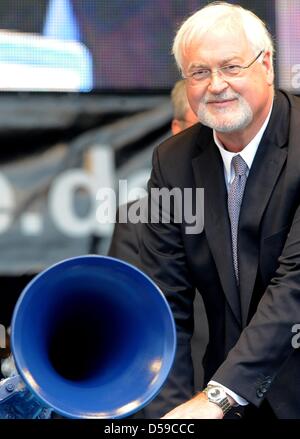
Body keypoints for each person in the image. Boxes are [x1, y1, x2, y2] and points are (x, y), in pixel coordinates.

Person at [139, 2, 300, 419]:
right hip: (223, 400)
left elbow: (294, 286)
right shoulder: (172, 162)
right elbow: (164, 302)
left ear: (265, 65)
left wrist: (217, 399)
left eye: (231, 67)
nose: (215, 85)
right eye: (199, 72)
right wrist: (172, 416)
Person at [108, 79, 207, 418]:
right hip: (172, 403)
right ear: (176, 130)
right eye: (201, 128)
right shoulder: (137, 219)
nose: (214, 141)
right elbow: (133, 330)